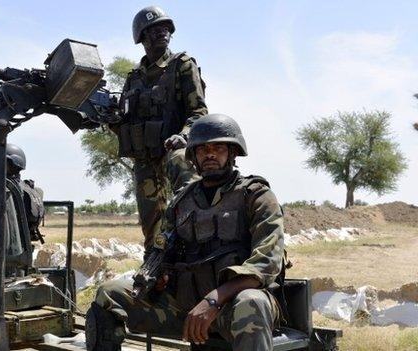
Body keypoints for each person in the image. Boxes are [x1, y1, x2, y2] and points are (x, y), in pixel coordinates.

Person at [87, 114, 286, 351]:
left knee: (251, 302)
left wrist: (213, 300)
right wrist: (159, 278)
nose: (210, 154)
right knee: (110, 294)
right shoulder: (182, 201)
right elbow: (161, 251)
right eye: (202, 149)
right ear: (193, 156)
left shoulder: (256, 195)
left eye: (218, 147)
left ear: (232, 152)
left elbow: (267, 262)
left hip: (232, 308)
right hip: (187, 308)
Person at [113, 6, 208, 255]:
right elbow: (124, 120)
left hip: (174, 149)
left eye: (166, 28)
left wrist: (183, 136)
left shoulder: (182, 66)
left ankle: (202, 247)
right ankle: (154, 263)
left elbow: (198, 112)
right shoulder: (133, 77)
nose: (162, 32)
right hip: (145, 158)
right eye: (155, 30)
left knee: (189, 189)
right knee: (150, 222)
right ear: (142, 37)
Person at [6, 143, 45, 243]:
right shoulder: (23, 187)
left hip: (10, 244)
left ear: (14, 165)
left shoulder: (10, 189)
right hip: (21, 243)